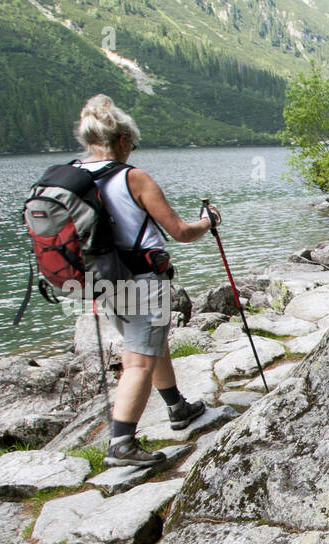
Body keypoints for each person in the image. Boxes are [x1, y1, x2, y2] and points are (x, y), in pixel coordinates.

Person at [72, 94, 219, 466]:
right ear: (121, 140)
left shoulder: (73, 176)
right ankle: (122, 442)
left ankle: (176, 407)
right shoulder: (132, 177)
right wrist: (209, 221)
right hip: (141, 279)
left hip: (101, 279)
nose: (131, 150)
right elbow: (181, 231)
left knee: (151, 342)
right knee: (138, 358)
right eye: (132, 144)